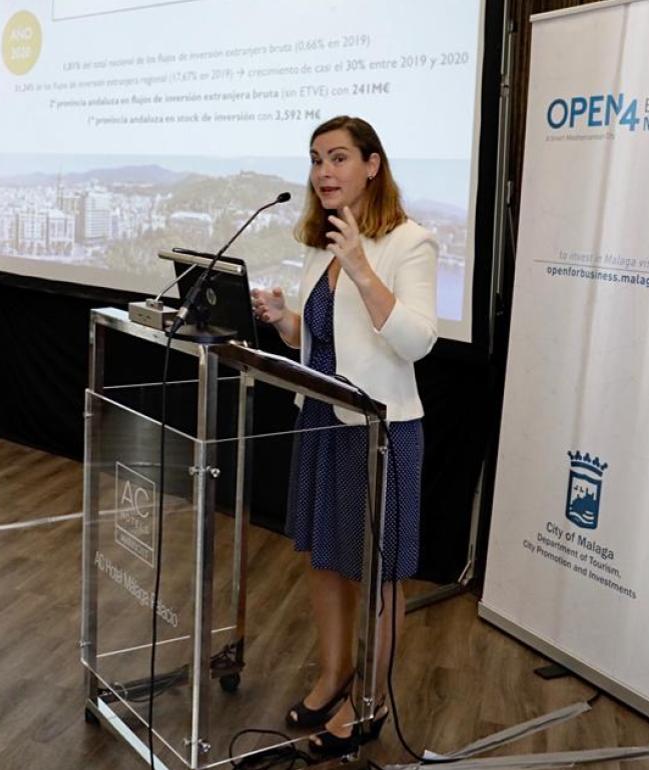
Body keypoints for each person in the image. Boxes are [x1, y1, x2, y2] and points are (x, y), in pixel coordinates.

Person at [251, 116, 437, 756]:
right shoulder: (319, 242)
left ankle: (370, 704)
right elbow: (319, 337)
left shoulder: (409, 242)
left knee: (378, 573)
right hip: (321, 418)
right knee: (327, 561)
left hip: (379, 431)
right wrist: (283, 322)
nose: (323, 173)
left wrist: (360, 264)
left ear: (372, 166)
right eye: (315, 160)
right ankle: (334, 677)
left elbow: (415, 341)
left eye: (337, 159)